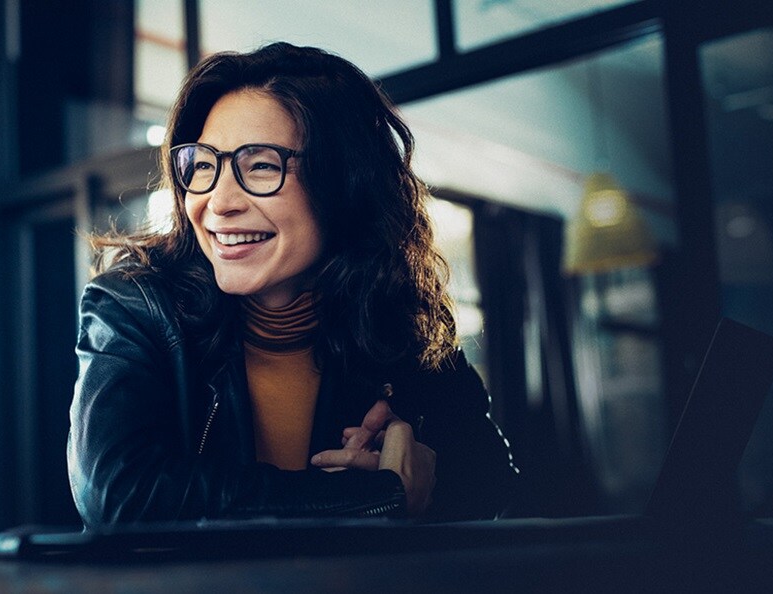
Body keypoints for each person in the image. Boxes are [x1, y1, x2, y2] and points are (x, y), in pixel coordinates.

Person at [68, 42, 517, 527]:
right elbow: (117, 494)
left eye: (260, 165)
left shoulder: (397, 317)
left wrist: (424, 475)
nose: (218, 203)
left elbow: (494, 482)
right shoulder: (134, 306)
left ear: (344, 183)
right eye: (202, 165)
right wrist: (374, 497)